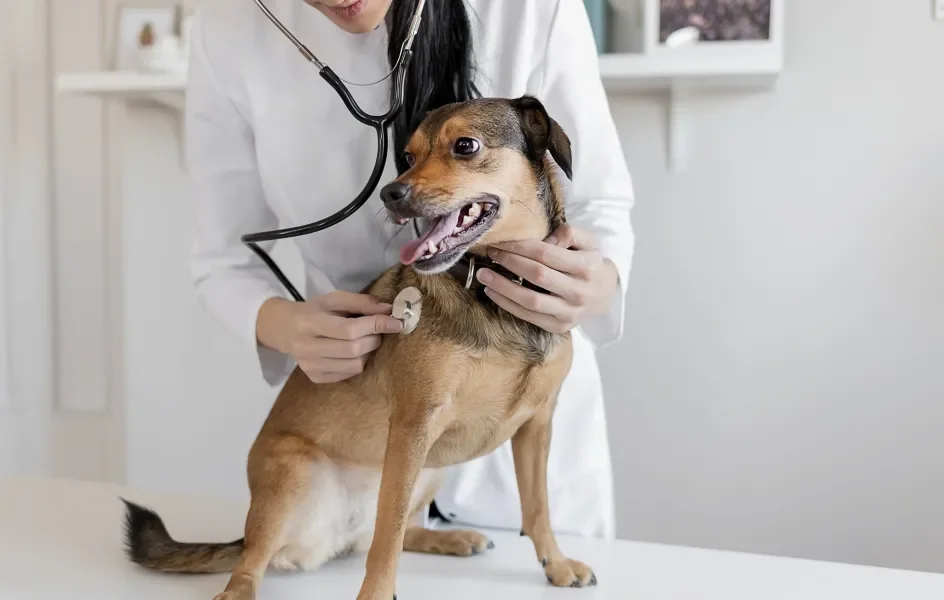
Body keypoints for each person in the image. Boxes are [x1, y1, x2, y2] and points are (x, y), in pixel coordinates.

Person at [186, 0, 635, 539]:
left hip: (523, 436)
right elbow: (222, 258)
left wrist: (599, 284)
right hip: (358, 445)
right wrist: (283, 324)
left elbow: (597, 202)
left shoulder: (530, 9)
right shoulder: (229, 27)